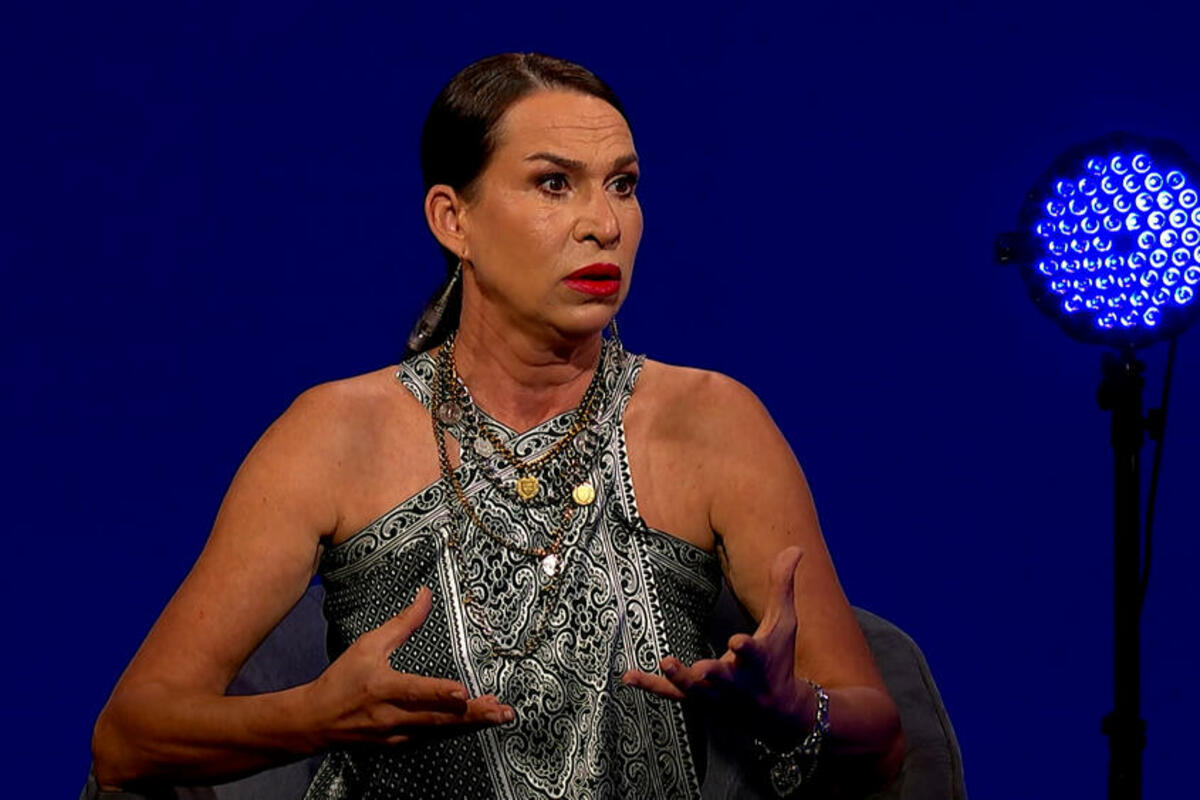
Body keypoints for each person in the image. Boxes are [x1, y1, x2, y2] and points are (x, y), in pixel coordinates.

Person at [91, 52, 903, 799]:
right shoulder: (336, 435)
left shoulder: (713, 422)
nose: (604, 223)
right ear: (454, 220)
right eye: (554, 184)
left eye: (623, 184)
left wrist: (798, 709)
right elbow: (129, 738)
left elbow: (887, 736)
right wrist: (314, 716)